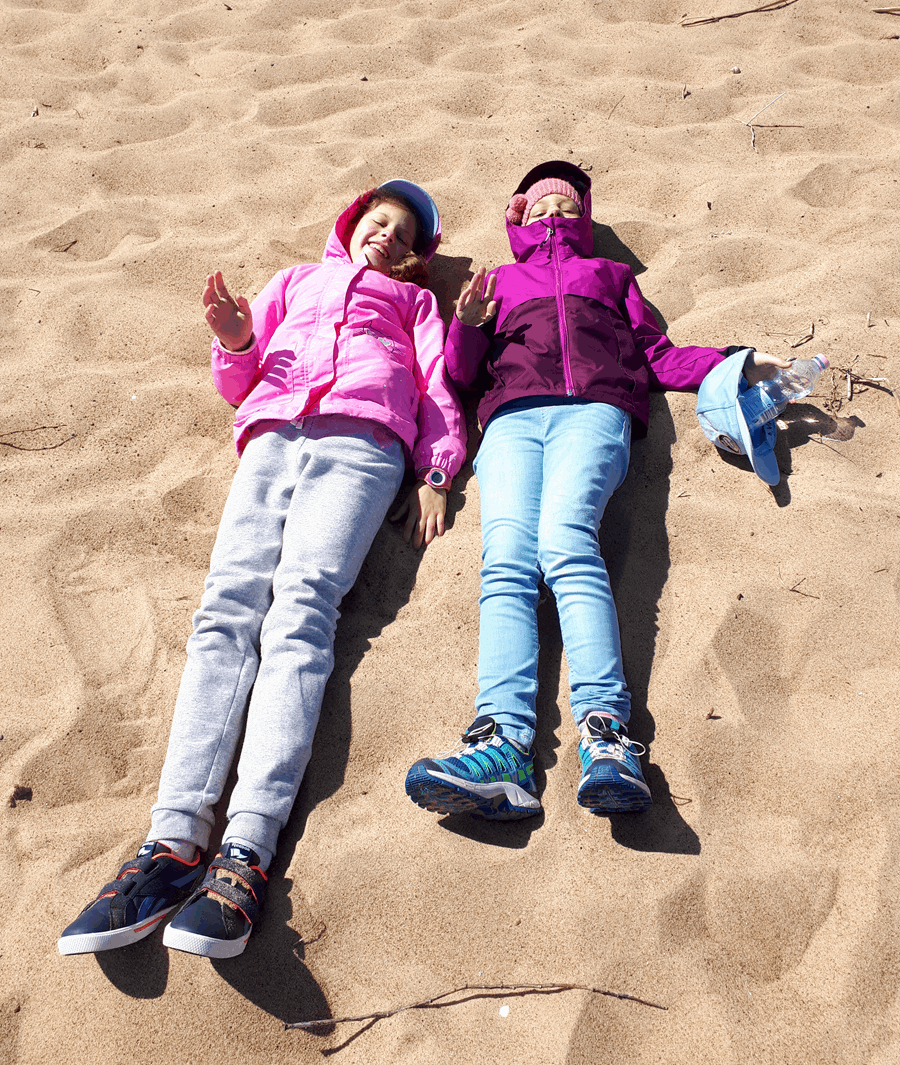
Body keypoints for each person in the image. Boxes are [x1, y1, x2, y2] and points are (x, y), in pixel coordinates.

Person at [59, 180, 465, 958]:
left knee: (301, 613)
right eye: (377, 221)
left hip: (363, 444)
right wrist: (237, 341)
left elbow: (435, 384)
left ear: (415, 257)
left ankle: (247, 848)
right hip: (272, 435)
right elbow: (237, 384)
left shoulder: (413, 303)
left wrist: (437, 471)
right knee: (224, 613)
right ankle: (172, 843)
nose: (386, 235)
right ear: (350, 225)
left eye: (404, 234)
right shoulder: (293, 281)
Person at [404, 161, 786, 821]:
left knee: (566, 544)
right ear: (518, 217)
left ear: (582, 219)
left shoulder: (611, 276)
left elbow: (657, 354)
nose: (553, 214)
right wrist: (467, 325)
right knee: (505, 562)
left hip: (594, 413)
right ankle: (502, 746)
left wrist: (733, 360)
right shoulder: (499, 282)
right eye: (540, 207)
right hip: (510, 421)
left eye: (566, 207)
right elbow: (462, 376)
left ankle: (606, 735)